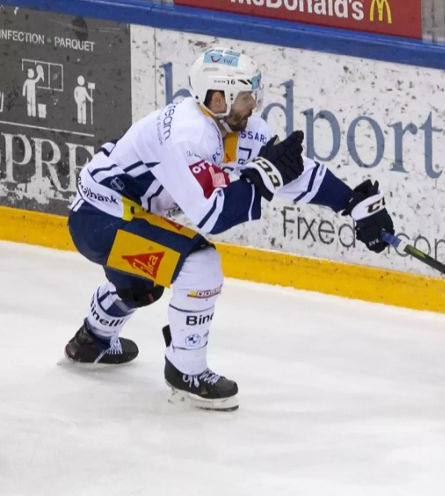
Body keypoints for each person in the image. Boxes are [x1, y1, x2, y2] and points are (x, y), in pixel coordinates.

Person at [63, 47, 394, 410]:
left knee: (142, 283)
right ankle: (185, 370)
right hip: (99, 220)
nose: (254, 104)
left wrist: (353, 204)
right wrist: (263, 176)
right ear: (218, 98)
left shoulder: (236, 126)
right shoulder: (187, 135)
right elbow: (213, 216)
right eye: (247, 96)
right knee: (199, 264)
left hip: (123, 216)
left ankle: (91, 341)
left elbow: (290, 172)